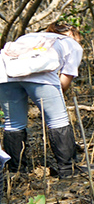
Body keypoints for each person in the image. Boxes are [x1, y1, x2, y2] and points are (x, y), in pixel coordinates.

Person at [0, 22, 87, 176]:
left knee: (13, 123)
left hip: (5, 73)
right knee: (58, 120)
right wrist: (54, 98)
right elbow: (65, 80)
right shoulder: (72, 44)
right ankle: (68, 169)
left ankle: (16, 172)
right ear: (72, 34)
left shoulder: (29, 36)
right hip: (42, 75)